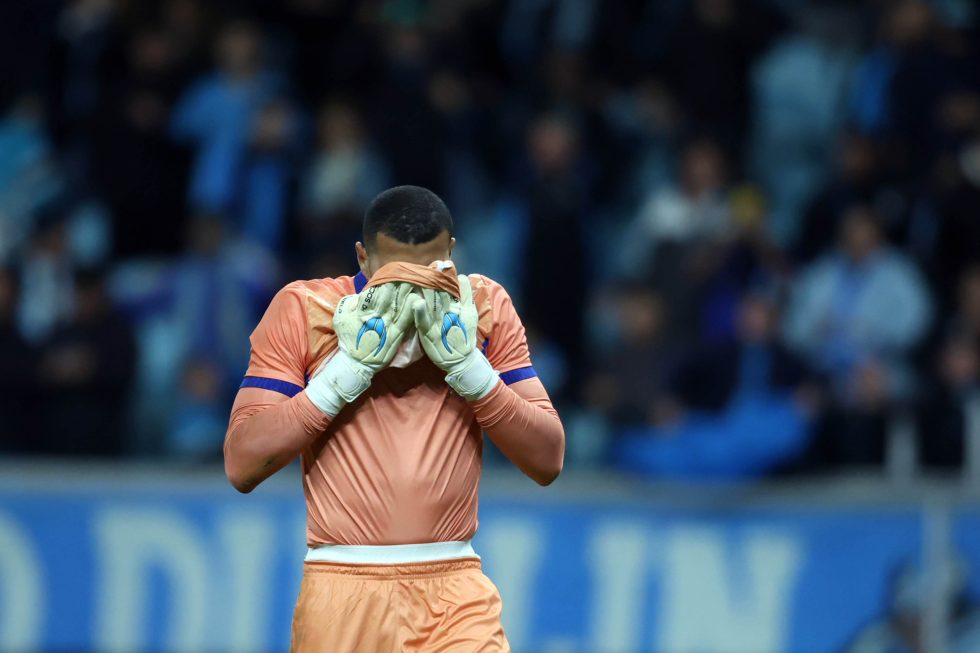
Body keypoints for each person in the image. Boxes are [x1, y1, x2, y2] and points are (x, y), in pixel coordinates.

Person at [223, 185, 565, 652]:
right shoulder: (304, 309)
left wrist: (471, 372)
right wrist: (346, 372)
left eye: (428, 273)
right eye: (395, 274)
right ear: (362, 258)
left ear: (451, 253)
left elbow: (548, 459)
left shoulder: (483, 307)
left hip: (455, 597)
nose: (413, 293)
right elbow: (242, 463)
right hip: (341, 593)